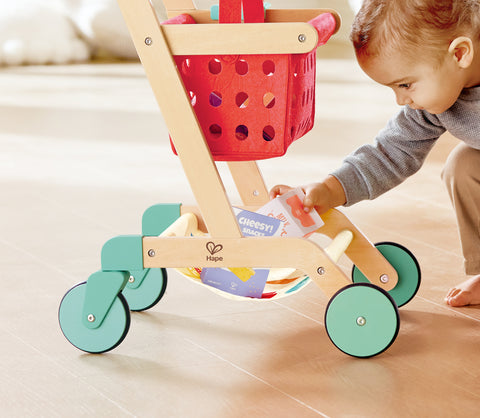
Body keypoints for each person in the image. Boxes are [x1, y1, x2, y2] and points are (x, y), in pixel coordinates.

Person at [270, 0, 480, 307]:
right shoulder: (432, 106)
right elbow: (389, 153)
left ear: (459, 54)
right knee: (463, 166)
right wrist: (331, 189)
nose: (400, 100)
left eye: (406, 84)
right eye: (393, 88)